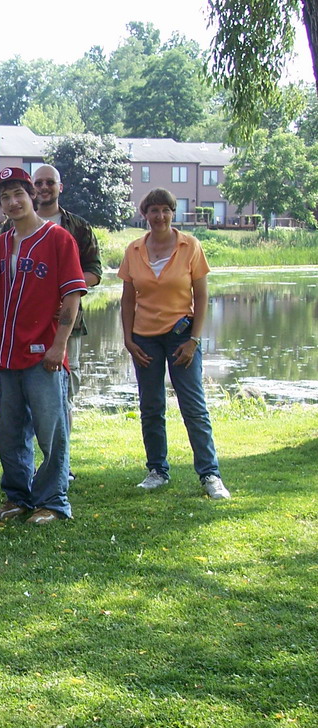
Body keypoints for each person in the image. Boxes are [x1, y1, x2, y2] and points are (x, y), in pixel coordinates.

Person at [0, 167, 86, 525]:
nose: (13, 202)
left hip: (44, 354)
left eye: (18, 194)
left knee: (51, 431)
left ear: (32, 196)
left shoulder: (58, 238)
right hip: (7, 354)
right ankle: (18, 496)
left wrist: (59, 346)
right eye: (5, 197)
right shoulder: (2, 243)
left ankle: (54, 500)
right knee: (11, 432)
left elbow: (72, 296)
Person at [119, 188, 230, 499]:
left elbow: (202, 296)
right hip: (144, 338)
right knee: (151, 406)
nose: (160, 216)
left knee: (193, 406)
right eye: (154, 210)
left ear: (173, 212)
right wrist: (128, 339)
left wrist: (194, 339)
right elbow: (127, 300)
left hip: (182, 336)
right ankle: (157, 470)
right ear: (145, 214)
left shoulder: (190, 246)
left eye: (165, 210)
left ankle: (210, 474)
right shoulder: (134, 250)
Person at [30, 166, 103, 476]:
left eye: (50, 182)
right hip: (26, 326)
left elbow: (95, 272)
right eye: (39, 183)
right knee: (27, 395)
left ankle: (62, 465)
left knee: (63, 394)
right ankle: (32, 463)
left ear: (61, 187)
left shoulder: (79, 227)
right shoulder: (15, 224)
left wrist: (65, 289)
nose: (44, 187)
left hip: (66, 324)